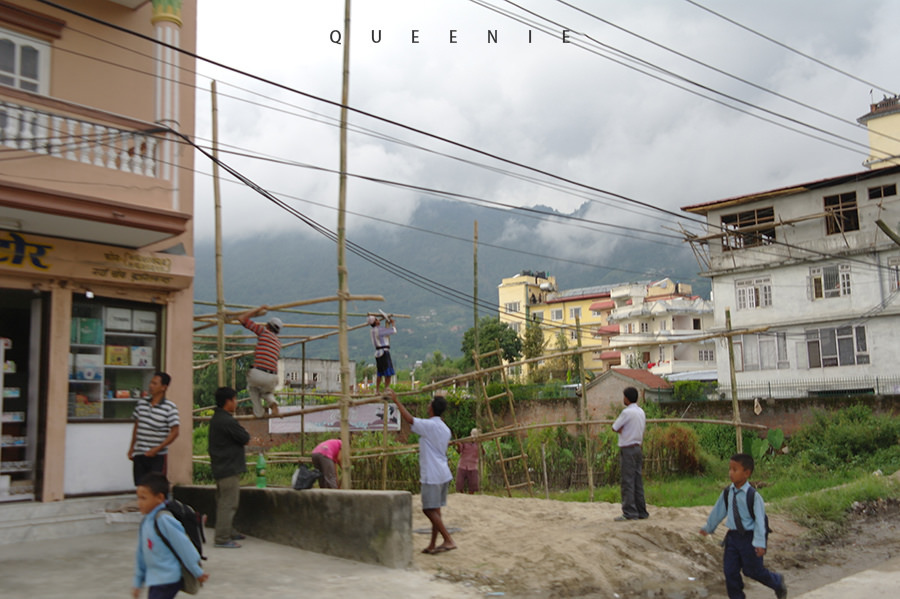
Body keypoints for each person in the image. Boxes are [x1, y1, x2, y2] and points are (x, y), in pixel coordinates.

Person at [700, 453, 788, 599]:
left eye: (735, 470)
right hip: (733, 538)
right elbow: (718, 511)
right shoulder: (728, 492)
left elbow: (760, 521)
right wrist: (708, 528)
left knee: (753, 571)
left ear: (747, 473)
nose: (730, 473)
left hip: (750, 537)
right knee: (730, 571)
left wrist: (760, 543)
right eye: (730, 469)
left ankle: (777, 582)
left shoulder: (753, 496)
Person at [387, 388, 456, 554]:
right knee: (436, 511)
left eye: (429, 404)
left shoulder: (429, 425)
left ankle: (448, 539)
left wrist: (396, 401)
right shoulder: (445, 428)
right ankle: (433, 543)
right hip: (443, 473)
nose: (427, 406)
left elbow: (410, 419)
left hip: (432, 474)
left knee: (427, 509)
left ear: (432, 408)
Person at [132, 472, 208, 599]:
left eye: (144, 498)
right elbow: (141, 553)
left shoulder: (164, 520)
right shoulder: (145, 522)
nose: (139, 503)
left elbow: (184, 547)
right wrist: (138, 582)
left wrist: (197, 571)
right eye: (138, 498)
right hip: (156, 578)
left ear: (160, 498)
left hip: (168, 578)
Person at [208, 386, 250, 549]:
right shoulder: (227, 420)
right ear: (228, 401)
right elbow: (245, 437)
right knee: (229, 502)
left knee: (223, 501)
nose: (236, 402)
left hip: (220, 466)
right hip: (228, 468)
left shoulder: (217, 419)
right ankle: (222, 537)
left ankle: (229, 530)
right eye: (234, 399)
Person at [128, 372, 179, 486]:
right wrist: (132, 448)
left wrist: (157, 448)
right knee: (141, 486)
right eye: (151, 383)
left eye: (155, 383)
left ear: (163, 387)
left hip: (157, 456)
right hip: (140, 453)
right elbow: (137, 426)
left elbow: (175, 432)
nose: (151, 386)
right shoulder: (141, 403)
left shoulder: (170, 407)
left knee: (155, 487)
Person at [611, 386, 649, 521]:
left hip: (627, 448)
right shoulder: (641, 412)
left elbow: (615, 427)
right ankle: (641, 511)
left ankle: (629, 512)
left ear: (627, 398)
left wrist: (623, 431)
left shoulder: (626, 413)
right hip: (637, 447)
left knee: (627, 481)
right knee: (637, 480)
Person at [238, 305, 283, 418]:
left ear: (267, 325)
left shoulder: (263, 332)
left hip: (258, 374)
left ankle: (259, 412)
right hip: (273, 378)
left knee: (252, 387)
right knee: (266, 392)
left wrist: (258, 309)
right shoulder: (278, 342)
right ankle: (273, 403)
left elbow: (242, 319)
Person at [368, 313, 396, 393]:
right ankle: (386, 389)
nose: (378, 320)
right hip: (384, 352)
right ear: (375, 322)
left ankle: (377, 390)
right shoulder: (379, 330)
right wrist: (393, 324)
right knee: (388, 373)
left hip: (377, 353)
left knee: (380, 373)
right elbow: (393, 331)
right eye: (376, 319)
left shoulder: (372, 331)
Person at [454, 428, 483, 494]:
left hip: (473, 466)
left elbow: (482, 453)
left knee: (473, 485)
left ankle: (470, 496)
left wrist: (480, 445)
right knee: (459, 484)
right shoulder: (465, 442)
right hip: (463, 465)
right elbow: (459, 451)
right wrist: (458, 445)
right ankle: (462, 495)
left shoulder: (478, 444)